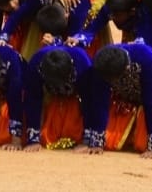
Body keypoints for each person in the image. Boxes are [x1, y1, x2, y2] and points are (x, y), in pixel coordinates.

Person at [23, 11, 101, 152]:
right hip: (53, 101)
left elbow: (90, 101)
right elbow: (32, 99)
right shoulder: (35, 63)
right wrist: (32, 140)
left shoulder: (83, 64)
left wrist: (87, 141)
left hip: (77, 101)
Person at [90, 43, 152, 154]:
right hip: (126, 98)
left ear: (126, 68)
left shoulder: (146, 57)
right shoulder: (101, 62)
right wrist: (97, 144)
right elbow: (101, 101)